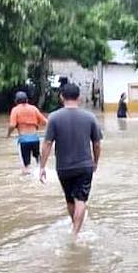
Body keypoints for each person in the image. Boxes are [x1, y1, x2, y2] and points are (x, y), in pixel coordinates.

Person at [39, 83, 103, 238]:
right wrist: (96, 161)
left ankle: (75, 227)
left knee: (70, 199)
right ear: (79, 97)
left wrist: (42, 167)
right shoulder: (90, 117)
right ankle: (75, 232)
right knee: (81, 199)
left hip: (63, 168)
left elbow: (47, 143)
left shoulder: (54, 117)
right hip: (84, 166)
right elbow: (97, 143)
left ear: (61, 97)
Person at [7, 91, 47, 174]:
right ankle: (42, 173)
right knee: (39, 160)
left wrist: (8, 134)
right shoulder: (34, 108)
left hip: (24, 140)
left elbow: (12, 125)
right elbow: (45, 122)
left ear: (16, 101)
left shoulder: (15, 110)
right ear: (27, 100)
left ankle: (27, 181)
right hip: (35, 139)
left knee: (26, 167)